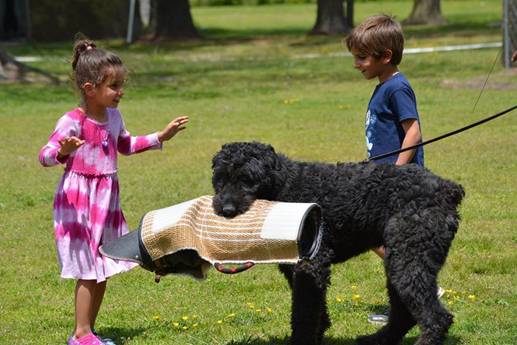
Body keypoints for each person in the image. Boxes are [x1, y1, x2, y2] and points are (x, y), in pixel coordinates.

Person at [39, 37, 189, 345]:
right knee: (87, 269)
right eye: (114, 86)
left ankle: (87, 333)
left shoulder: (114, 117)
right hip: (78, 203)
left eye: (121, 85)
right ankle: (81, 334)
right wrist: (63, 152)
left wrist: (160, 136)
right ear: (89, 88)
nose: (120, 92)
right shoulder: (72, 121)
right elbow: (45, 155)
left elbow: (127, 145)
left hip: (106, 202)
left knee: (103, 265)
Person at [345, 14, 443, 325]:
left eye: (361, 57)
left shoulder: (397, 88)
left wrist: (396, 172)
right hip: (383, 178)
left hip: (398, 182)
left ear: (385, 56)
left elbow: (413, 131)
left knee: (374, 235)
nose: (357, 64)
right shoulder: (384, 86)